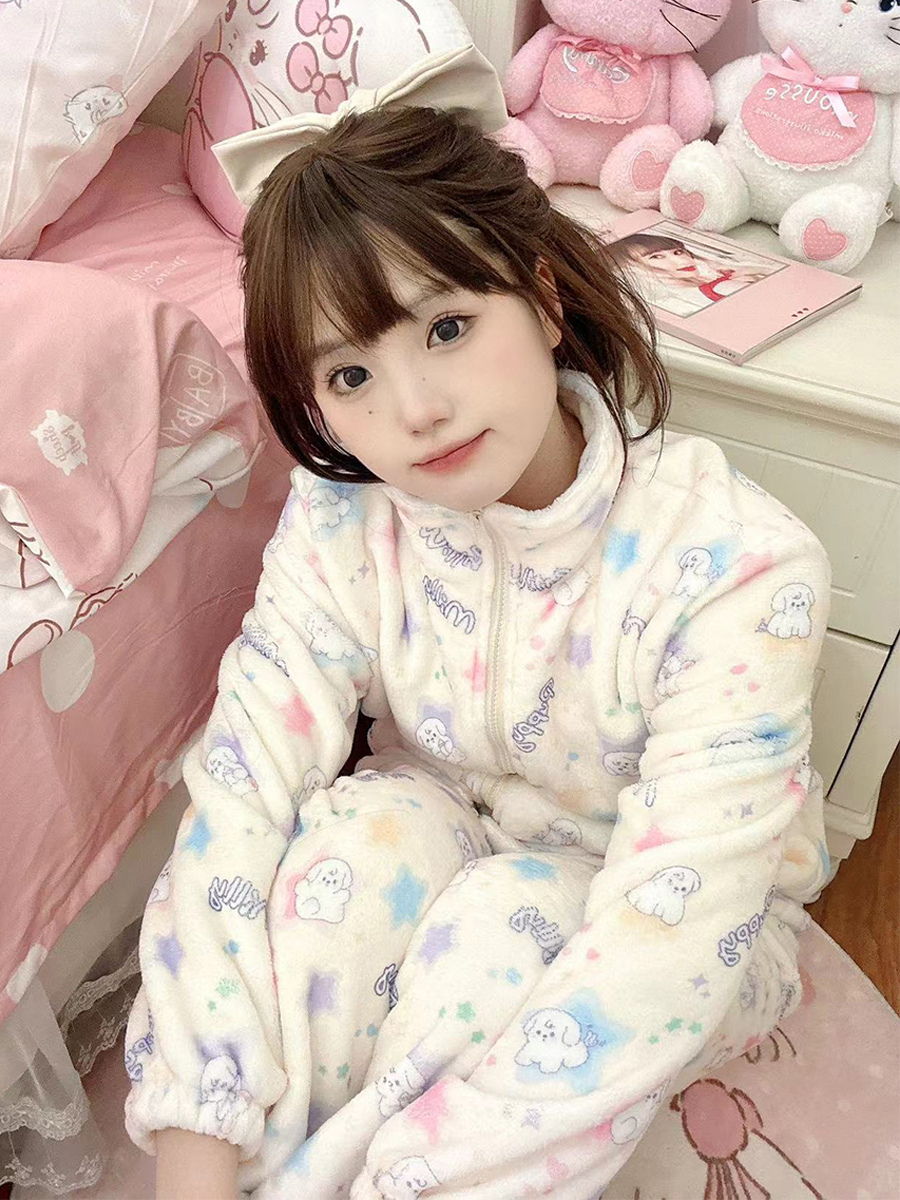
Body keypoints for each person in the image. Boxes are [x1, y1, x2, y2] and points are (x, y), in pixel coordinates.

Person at [123, 49, 832, 1200]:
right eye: (350, 378)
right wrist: (194, 1131)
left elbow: (673, 933)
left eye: (446, 328)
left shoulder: (739, 566)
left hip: (680, 913)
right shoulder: (348, 515)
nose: (415, 412)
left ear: (543, 298)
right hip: (445, 819)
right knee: (351, 846)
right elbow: (243, 786)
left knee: (504, 923)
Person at [608, 232, 778, 317]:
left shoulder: (723, 280)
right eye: (656, 257)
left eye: (677, 252)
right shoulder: (708, 290)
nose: (680, 260)